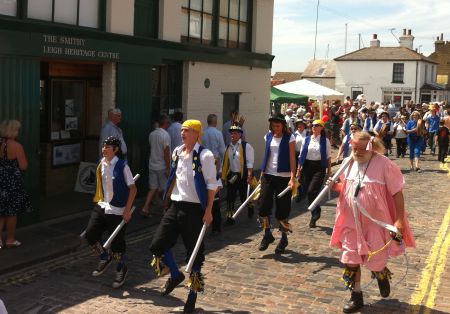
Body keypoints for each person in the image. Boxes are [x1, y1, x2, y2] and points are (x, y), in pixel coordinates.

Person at [328, 131, 415, 313]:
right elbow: (347, 188)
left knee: (376, 260)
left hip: (375, 224)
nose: (357, 152)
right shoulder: (348, 163)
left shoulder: (384, 164)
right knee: (350, 260)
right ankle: (356, 296)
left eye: (362, 148)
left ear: (372, 147)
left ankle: (380, 273)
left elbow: (397, 192)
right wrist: (334, 186)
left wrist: (399, 219)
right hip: (351, 222)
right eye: (354, 148)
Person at [149, 120, 217, 313]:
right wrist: (166, 202)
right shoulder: (178, 151)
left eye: (186, 131)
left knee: (194, 256)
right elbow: (174, 178)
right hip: (176, 205)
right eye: (181, 131)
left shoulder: (205, 155)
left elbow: (213, 185)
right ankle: (176, 274)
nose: (182, 134)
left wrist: (209, 210)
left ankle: (192, 296)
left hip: (195, 210)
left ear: (197, 133)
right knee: (157, 244)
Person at [86, 136, 137, 288]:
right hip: (103, 205)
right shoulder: (101, 164)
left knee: (117, 244)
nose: (104, 149)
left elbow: (133, 189)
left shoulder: (122, 166)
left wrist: (127, 210)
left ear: (115, 150)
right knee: (90, 234)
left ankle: (121, 269)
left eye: (107, 147)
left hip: (118, 210)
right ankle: (104, 256)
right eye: (103, 146)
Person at [257, 114, 296, 254]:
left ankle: (284, 238)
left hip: (284, 177)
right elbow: (267, 154)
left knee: (282, 211)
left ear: (283, 126)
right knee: (263, 207)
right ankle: (267, 234)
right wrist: (262, 173)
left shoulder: (290, 138)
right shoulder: (267, 136)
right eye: (273, 126)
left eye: (278, 126)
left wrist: (293, 177)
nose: (275, 128)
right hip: (268, 175)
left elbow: (292, 158)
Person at [0, 120, 32, 249]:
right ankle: (10, 239)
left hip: (1, 180)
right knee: (12, 213)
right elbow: (23, 166)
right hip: (13, 182)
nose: (18, 132)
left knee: (1, 212)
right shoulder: (17, 146)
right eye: (17, 130)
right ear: (12, 131)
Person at [297, 119, 332, 228]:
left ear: (321, 127)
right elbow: (302, 154)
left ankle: (315, 212)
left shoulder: (325, 141)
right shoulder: (306, 139)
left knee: (312, 190)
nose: (314, 127)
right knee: (309, 192)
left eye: (317, 125)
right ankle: (315, 213)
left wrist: (329, 171)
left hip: (319, 168)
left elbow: (328, 157)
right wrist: (299, 168)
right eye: (312, 125)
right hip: (307, 167)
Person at [221, 125, 255, 225]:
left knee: (244, 197)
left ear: (240, 135)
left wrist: (249, 175)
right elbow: (225, 162)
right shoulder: (228, 147)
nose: (232, 134)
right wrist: (223, 176)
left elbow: (250, 162)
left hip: (243, 176)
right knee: (230, 197)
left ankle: (250, 208)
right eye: (231, 133)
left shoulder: (246, 146)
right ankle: (230, 218)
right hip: (232, 176)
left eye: (235, 133)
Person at [141, 115, 171, 216]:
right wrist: (168, 168)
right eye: (169, 123)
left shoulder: (152, 134)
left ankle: (145, 208)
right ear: (165, 123)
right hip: (161, 166)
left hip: (152, 164)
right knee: (167, 188)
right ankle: (165, 209)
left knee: (153, 188)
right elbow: (166, 153)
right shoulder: (165, 135)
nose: (169, 125)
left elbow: (151, 148)